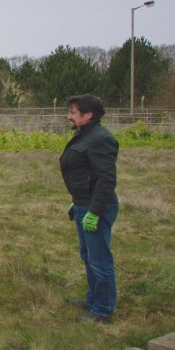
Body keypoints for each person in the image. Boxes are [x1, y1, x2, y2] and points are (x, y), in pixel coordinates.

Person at [60, 94, 119, 324]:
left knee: (100, 259)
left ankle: (102, 311)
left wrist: (94, 211)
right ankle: (93, 298)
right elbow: (86, 173)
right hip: (84, 204)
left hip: (97, 208)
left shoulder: (100, 139)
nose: (69, 116)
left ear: (88, 115)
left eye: (73, 113)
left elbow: (106, 180)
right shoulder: (85, 135)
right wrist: (78, 200)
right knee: (88, 255)